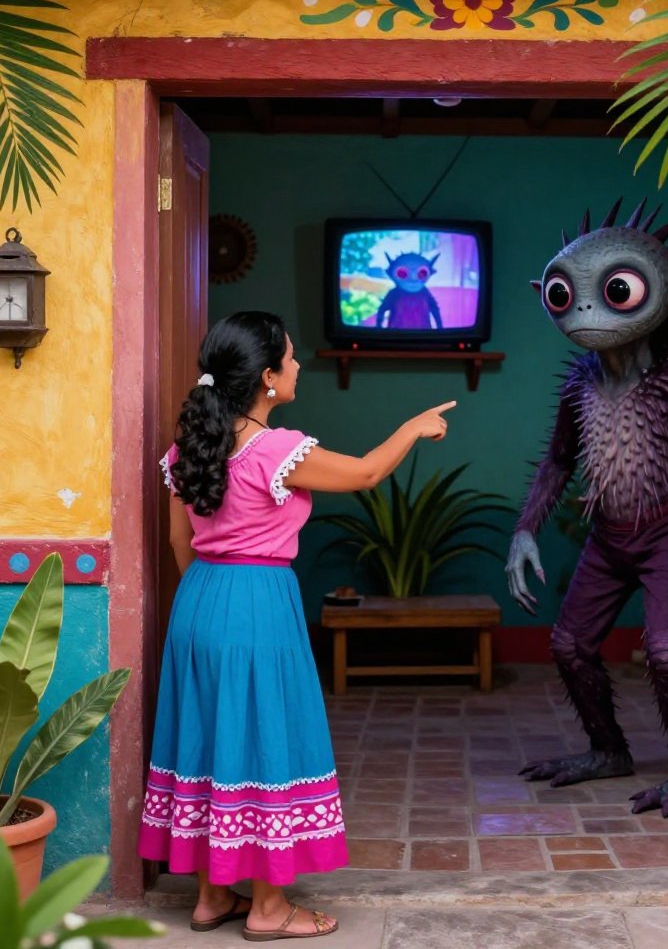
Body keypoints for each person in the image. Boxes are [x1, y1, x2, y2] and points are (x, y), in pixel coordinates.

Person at [137, 310, 455, 940]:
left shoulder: (188, 449)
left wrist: (211, 596)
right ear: (267, 377)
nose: (298, 364)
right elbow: (366, 473)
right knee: (265, 741)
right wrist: (413, 427)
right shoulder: (276, 449)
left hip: (198, 601)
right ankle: (269, 907)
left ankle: (211, 896)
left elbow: (178, 543)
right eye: (290, 356)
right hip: (258, 604)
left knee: (209, 739)